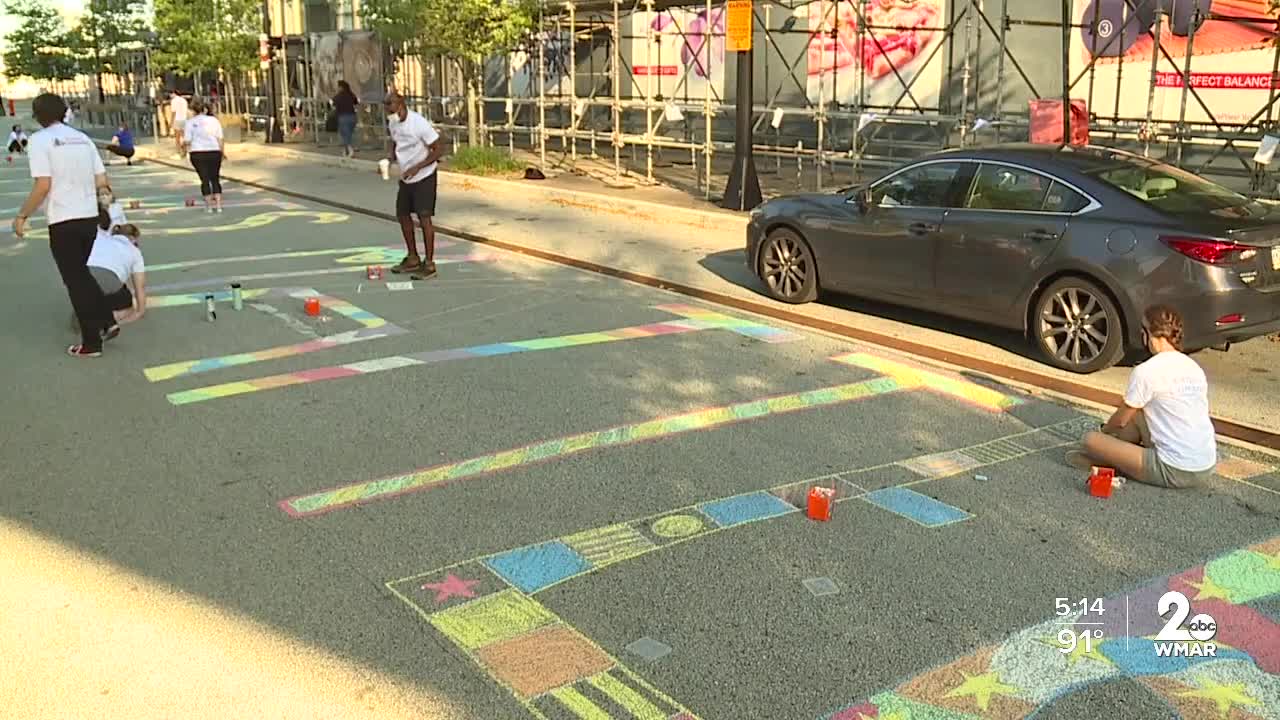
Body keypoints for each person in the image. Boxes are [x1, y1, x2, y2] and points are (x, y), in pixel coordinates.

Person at [1066, 305, 1217, 488]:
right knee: (1139, 412)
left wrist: (1103, 432)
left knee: (1090, 440)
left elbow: (1120, 421)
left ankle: (1116, 461)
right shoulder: (1193, 367)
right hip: (1206, 464)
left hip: (1173, 469)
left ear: (1147, 334)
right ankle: (1120, 454)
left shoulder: (1147, 370)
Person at [12, 93, 115, 357]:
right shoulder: (82, 138)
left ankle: (91, 342)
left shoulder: (39, 141)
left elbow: (43, 185)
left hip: (63, 218)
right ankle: (106, 319)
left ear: (37, 115)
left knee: (75, 280)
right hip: (88, 215)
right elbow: (102, 180)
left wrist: (22, 215)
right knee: (80, 274)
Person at [383, 92, 442, 279]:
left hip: (424, 175)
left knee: (424, 218)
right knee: (402, 214)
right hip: (406, 176)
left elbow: (438, 149)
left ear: (402, 106)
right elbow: (395, 142)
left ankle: (430, 263)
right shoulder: (393, 122)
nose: (391, 115)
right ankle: (412, 257)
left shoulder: (419, 124)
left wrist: (418, 167)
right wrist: (390, 159)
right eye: (388, 111)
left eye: (393, 111)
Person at [87, 222, 146, 326]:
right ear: (132, 238)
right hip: (109, 280)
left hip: (83, 276)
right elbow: (140, 287)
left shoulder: (103, 239)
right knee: (127, 306)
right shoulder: (135, 252)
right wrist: (140, 311)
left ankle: (85, 312)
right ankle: (104, 319)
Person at [181, 97, 226, 213]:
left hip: (197, 152)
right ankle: (219, 205)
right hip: (213, 151)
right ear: (205, 109)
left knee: (204, 179)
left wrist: (183, 150)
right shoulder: (214, 120)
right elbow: (220, 138)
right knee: (215, 178)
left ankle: (209, 206)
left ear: (193, 110)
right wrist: (222, 152)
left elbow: (187, 140)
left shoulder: (190, 123)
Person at [333, 80, 359, 157]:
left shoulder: (338, 96)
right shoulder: (351, 95)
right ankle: (345, 151)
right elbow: (356, 102)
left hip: (343, 117)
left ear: (341, 87)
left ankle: (350, 150)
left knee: (344, 135)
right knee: (349, 134)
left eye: (338, 87)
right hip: (352, 116)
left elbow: (333, 103)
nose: (337, 88)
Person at [168, 90, 189, 156]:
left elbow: (173, 112)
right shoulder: (184, 100)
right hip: (184, 119)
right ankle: (186, 150)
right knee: (185, 136)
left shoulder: (174, 101)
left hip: (177, 119)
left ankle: (178, 151)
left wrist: (171, 122)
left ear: (174, 94)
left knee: (177, 137)